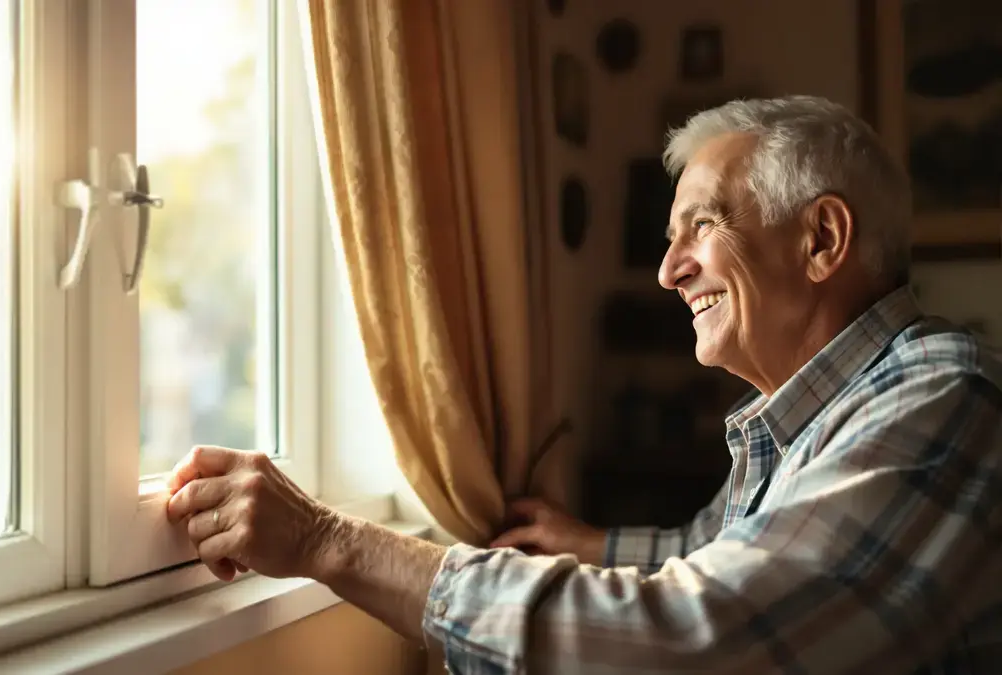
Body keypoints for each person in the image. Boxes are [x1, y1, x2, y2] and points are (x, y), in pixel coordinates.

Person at [163, 95, 1002, 673]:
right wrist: (592, 544)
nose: (670, 270)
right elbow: (718, 557)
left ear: (821, 239)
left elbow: (698, 641)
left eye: (701, 225)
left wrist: (325, 541)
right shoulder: (811, 421)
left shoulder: (942, 397)